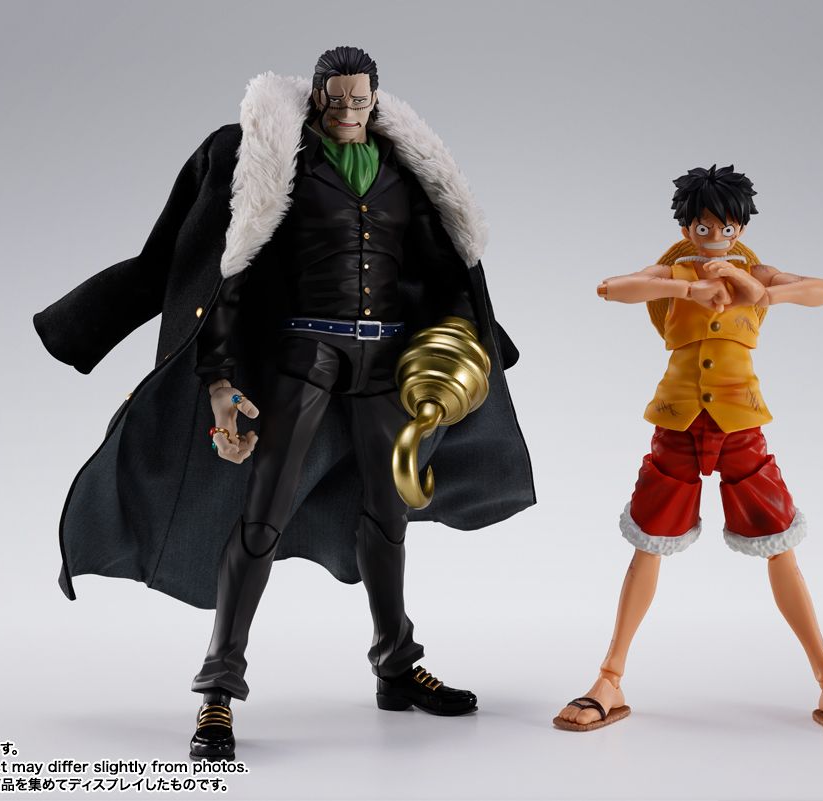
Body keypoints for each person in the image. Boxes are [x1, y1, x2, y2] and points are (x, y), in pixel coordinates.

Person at [34, 46, 535, 761]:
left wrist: (455, 347)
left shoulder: (402, 173)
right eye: (336, 97)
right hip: (306, 354)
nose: (348, 110)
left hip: (386, 360)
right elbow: (233, 276)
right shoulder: (283, 166)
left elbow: (443, 271)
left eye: (359, 98)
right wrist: (218, 381)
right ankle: (218, 687)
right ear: (317, 98)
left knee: (387, 514)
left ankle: (396, 663)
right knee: (261, 515)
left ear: (375, 99)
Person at [552, 165, 823, 738]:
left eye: (726, 228)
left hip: (741, 427)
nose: (715, 237)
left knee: (780, 545)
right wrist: (685, 289)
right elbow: (611, 288)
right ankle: (610, 678)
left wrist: (763, 291)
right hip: (677, 425)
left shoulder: (756, 273)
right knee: (649, 543)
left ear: (740, 228)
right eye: (703, 227)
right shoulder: (673, 271)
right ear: (687, 227)